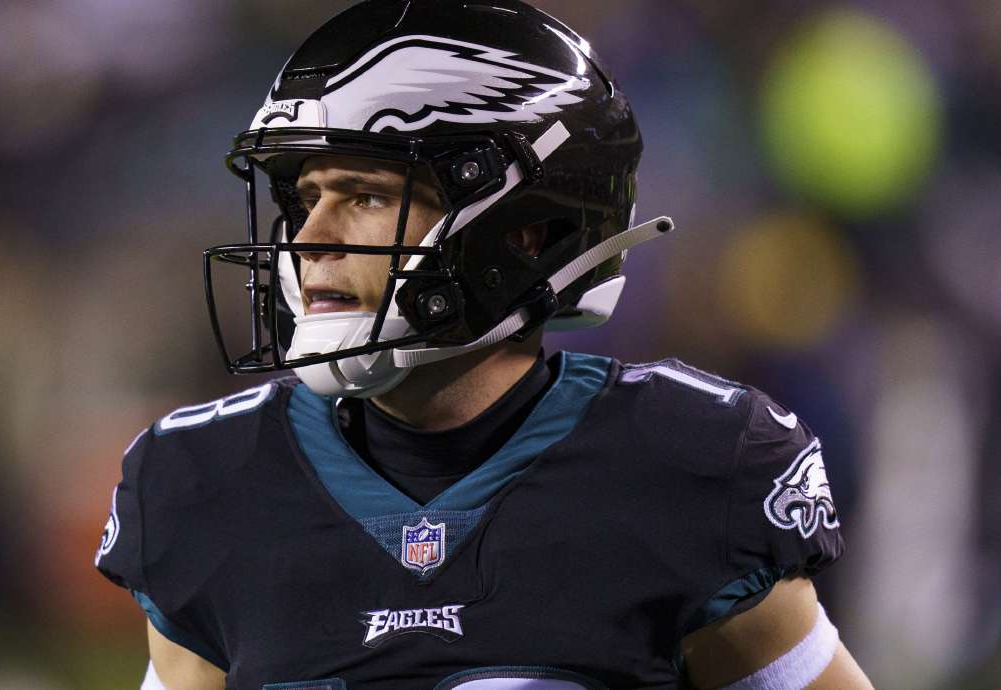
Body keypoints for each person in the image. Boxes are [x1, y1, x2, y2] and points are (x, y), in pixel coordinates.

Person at [95, 1, 873, 688]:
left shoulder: (689, 469)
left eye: (366, 197)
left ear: (522, 233)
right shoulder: (206, 483)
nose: (311, 239)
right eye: (304, 198)